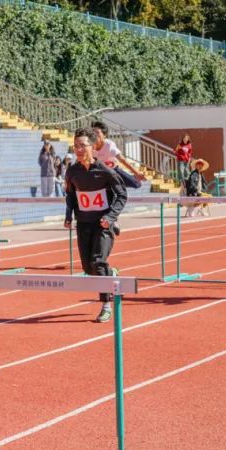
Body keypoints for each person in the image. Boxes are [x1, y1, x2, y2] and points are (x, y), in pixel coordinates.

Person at [63, 128, 126, 323]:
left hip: (102, 224)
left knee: (98, 262)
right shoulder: (72, 171)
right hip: (83, 223)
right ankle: (111, 273)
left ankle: (106, 305)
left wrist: (111, 216)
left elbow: (121, 195)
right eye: (76, 146)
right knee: (89, 268)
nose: (79, 149)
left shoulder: (105, 171)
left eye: (83, 145)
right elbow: (71, 195)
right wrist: (69, 216)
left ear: (92, 147)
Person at [91, 121, 147, 190]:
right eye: (93, 132)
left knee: (136, 184)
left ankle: (132, 179)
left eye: (97, 133)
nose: (94, 135)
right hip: (100, 172)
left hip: (114, 170)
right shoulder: (89, 147)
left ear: (104, 135)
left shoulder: (109, 145)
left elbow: (122, 159)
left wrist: (136, 173)